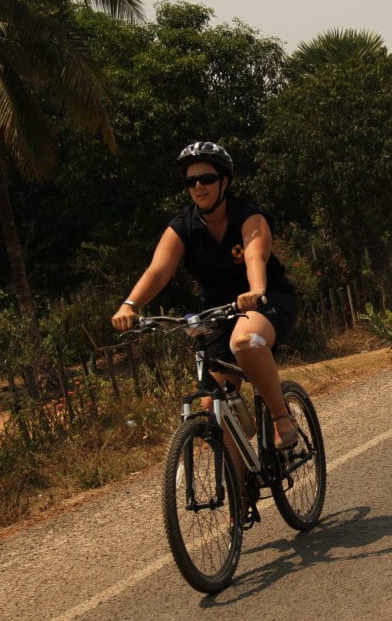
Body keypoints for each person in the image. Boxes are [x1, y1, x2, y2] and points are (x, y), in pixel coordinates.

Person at [111, 141, 300, 488]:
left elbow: (256, 256)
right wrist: (130, 305)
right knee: (217, 400)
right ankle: (240, 493)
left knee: (245, 341)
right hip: (216, 312)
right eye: (191, 181)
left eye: (207, 178)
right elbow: (158, 271)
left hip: (266, 300)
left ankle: (280, 416)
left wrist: (255, 290)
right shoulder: (182, 227)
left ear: (224, 181)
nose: (198, 186)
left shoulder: (249, 217)